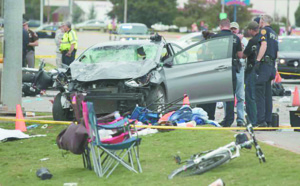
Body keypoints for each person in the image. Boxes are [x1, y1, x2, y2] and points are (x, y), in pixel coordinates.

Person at [213, 19, 243, 127]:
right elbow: (240, 55)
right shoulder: (235, 38)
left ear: (220, 26)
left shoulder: (215, 37)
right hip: (231, 69)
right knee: (230, 96)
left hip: (217, 69)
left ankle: (211, 117)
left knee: (213, 94)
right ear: (229, 26)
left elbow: (210, 53)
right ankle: (229, 120)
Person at [255, 15, 278, 127]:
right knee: (268, 93)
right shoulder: (274, 33)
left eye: (260, 21)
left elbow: (264, 45)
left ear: (263, 21)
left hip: (264, 65)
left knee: (259, 91)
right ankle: (268, 120)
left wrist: (258, 60)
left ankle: (261, 120)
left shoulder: (264, 31)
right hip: (271, 65)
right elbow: (277, 52)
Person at [230, 22, 248, 126]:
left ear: (238, 30)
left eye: (235, 29)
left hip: (240, 67)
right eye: (231, 29)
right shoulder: (228, 39)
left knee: (240, 95)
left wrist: (240, 42)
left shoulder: (244, 40)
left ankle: (240, 118)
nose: (233, 30)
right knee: (228, 95)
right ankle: (228, 117)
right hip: (230, 67)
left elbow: (245, 55)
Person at [242, 21, 260, 126]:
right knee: (258, 96)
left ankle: (252, 121)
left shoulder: (252, 41)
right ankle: (259, 119)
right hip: (260, 70)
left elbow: (244, 55)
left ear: (251, 30)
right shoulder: (262, 39)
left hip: (252, 69)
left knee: (249, 96)